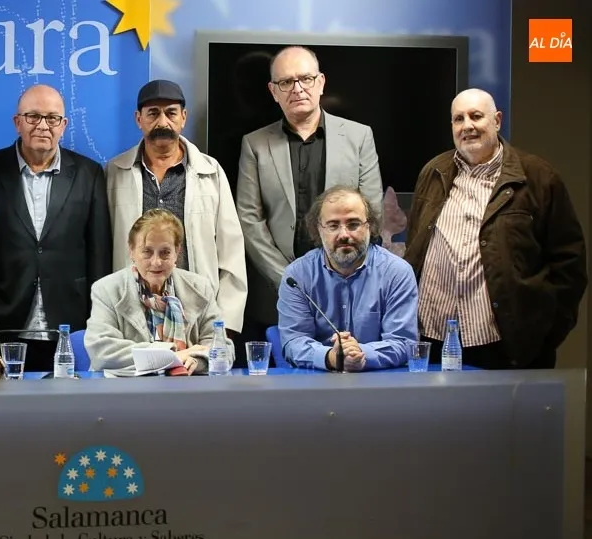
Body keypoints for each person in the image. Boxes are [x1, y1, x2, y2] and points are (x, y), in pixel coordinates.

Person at [405, 88, 586, 369]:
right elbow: (415, 244)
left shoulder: (537, 177)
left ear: (497, 120)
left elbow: (569, 263)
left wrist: (544, 335)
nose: (467, 126)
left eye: (476, 116)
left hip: (502, 346)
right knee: (438, 415)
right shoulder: (434, 171)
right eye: (458, 119)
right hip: (434, 336)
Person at [237, 45, 383, 345]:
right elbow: (249, 219)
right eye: (286, 82)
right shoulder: (254, 144)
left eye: (305, 78)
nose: (297, 89)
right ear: (273, 91)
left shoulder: (359, 136)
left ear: (320, 83)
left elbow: (372, 211)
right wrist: (288, 280)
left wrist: (338, 273)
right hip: (277, 294)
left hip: (347, 288)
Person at [0, 84, 111, 372]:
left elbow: (99, 252)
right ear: (18, 122)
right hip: (3, 322)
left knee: (68, 413)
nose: (43, 126)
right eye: (33, 116)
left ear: (64, 125)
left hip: (70, 323)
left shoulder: (89, 173)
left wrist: (98, 318)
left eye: (52, 118)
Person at [106, 79, 247, 339]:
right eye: (153, 113)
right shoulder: (115, 173)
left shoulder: (211, 172)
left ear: (183, 117)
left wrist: (222, 325)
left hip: (197, 315)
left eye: (170, 113)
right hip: (133, 315)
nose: (162, 122)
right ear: (139, 119)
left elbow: (232, 252)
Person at [278, 186, 417, 372]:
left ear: (370, 226)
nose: (344, 235)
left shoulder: (397, 273)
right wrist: (332, 357)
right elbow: (293, 342)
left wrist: (360, 354)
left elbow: (403, 343)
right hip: (316, 385)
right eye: (333, 225)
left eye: (353, 224)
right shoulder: (297, 275)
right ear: (318, 229)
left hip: (380, 385)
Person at [85, 209, 225, 375]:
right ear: (131, 251)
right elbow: (102, 351)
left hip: (187, 389)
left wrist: (196, 360)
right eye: (147, 251)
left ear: (177, 252)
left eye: (165, 253)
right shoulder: (106, 289)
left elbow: (222, 348)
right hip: (123, 393)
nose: (156, 262)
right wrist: (171, 355)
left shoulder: (200, 288)